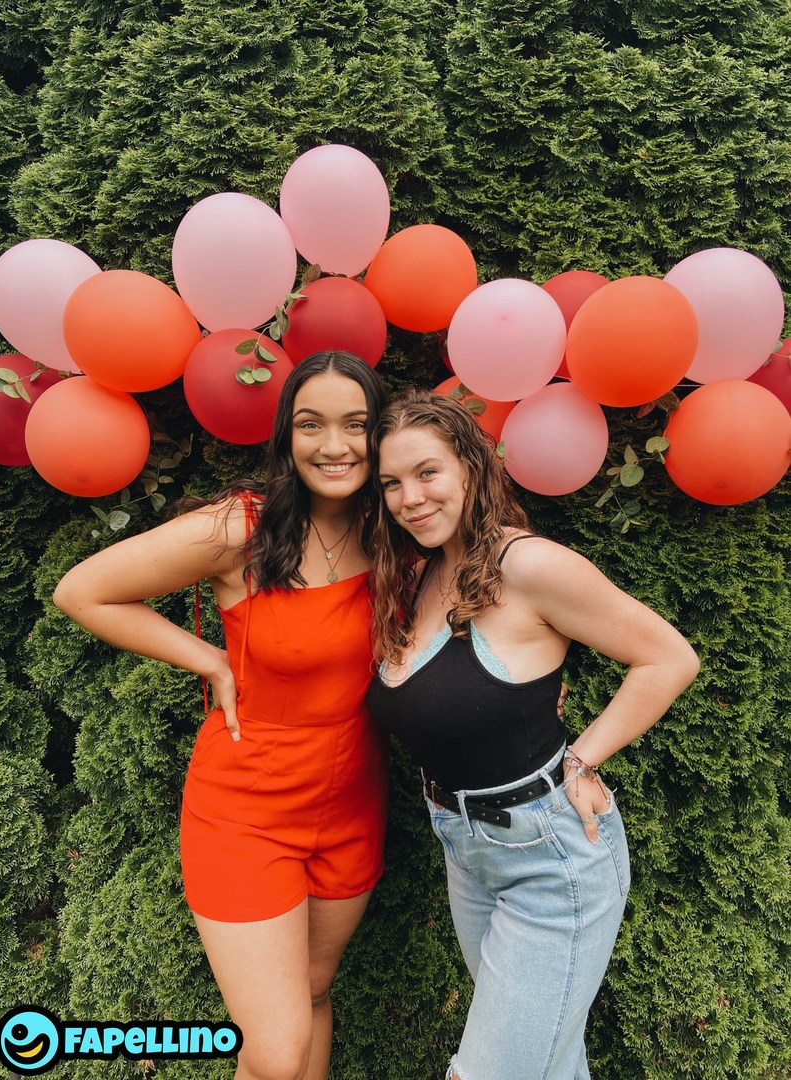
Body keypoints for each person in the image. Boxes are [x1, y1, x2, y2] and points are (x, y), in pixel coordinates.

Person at [53, 351, 390, 1080]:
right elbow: (84, 591)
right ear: (286, 434)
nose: (334, 445)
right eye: (311, 424)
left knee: (314, 993)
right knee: (274, 1051)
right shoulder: (244, 527)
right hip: (248, 809)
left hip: (353, 802)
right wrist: (207, 658)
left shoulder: (398, 531)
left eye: (356, 424)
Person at [366, 388, 700, 1080]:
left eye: (427, 472)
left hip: (550, 860)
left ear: (469, 466)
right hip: (466, 853)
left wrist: (582, 761)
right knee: (548, 1064)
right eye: (391, 482)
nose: (409, 497)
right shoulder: (423, 573)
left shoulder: (528, 566)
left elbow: (669, 658)